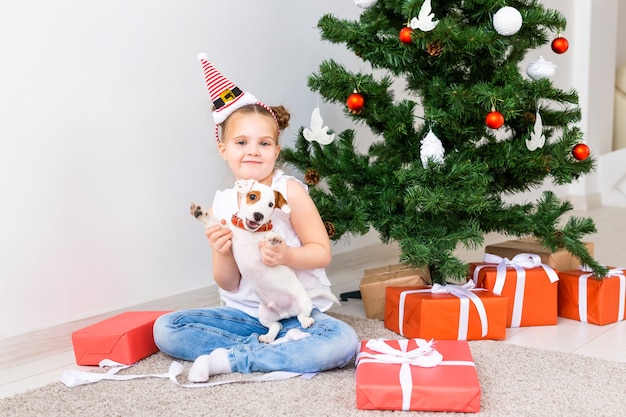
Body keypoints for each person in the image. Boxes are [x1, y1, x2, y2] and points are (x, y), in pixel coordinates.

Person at [153, 54, 359, 382]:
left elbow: (322, 251)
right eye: (241, 142)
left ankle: (237, 358)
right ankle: (270, 349)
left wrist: (288, 256)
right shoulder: (222, 203)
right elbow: (229, 282)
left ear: (276, 150)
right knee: (165, 329)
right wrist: (220, 250)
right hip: (244, 316)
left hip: (295, 312)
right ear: (223, 149)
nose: (253, 151)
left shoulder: (289, 191)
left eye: (264, 143)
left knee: (341, 343)